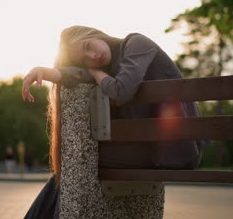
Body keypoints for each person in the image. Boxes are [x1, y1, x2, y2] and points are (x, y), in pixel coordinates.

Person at [21, 25, 210, 219]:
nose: (93, 56)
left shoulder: (137, 43)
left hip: (178, 148)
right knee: (72, 168)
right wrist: (44, 71)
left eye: (88, 46)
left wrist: (95, 72)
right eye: (85, 59)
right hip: (153, 150)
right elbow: (79, 74)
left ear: (95, 34)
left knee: (75, 163)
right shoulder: (109, 67)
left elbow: (122, 90)